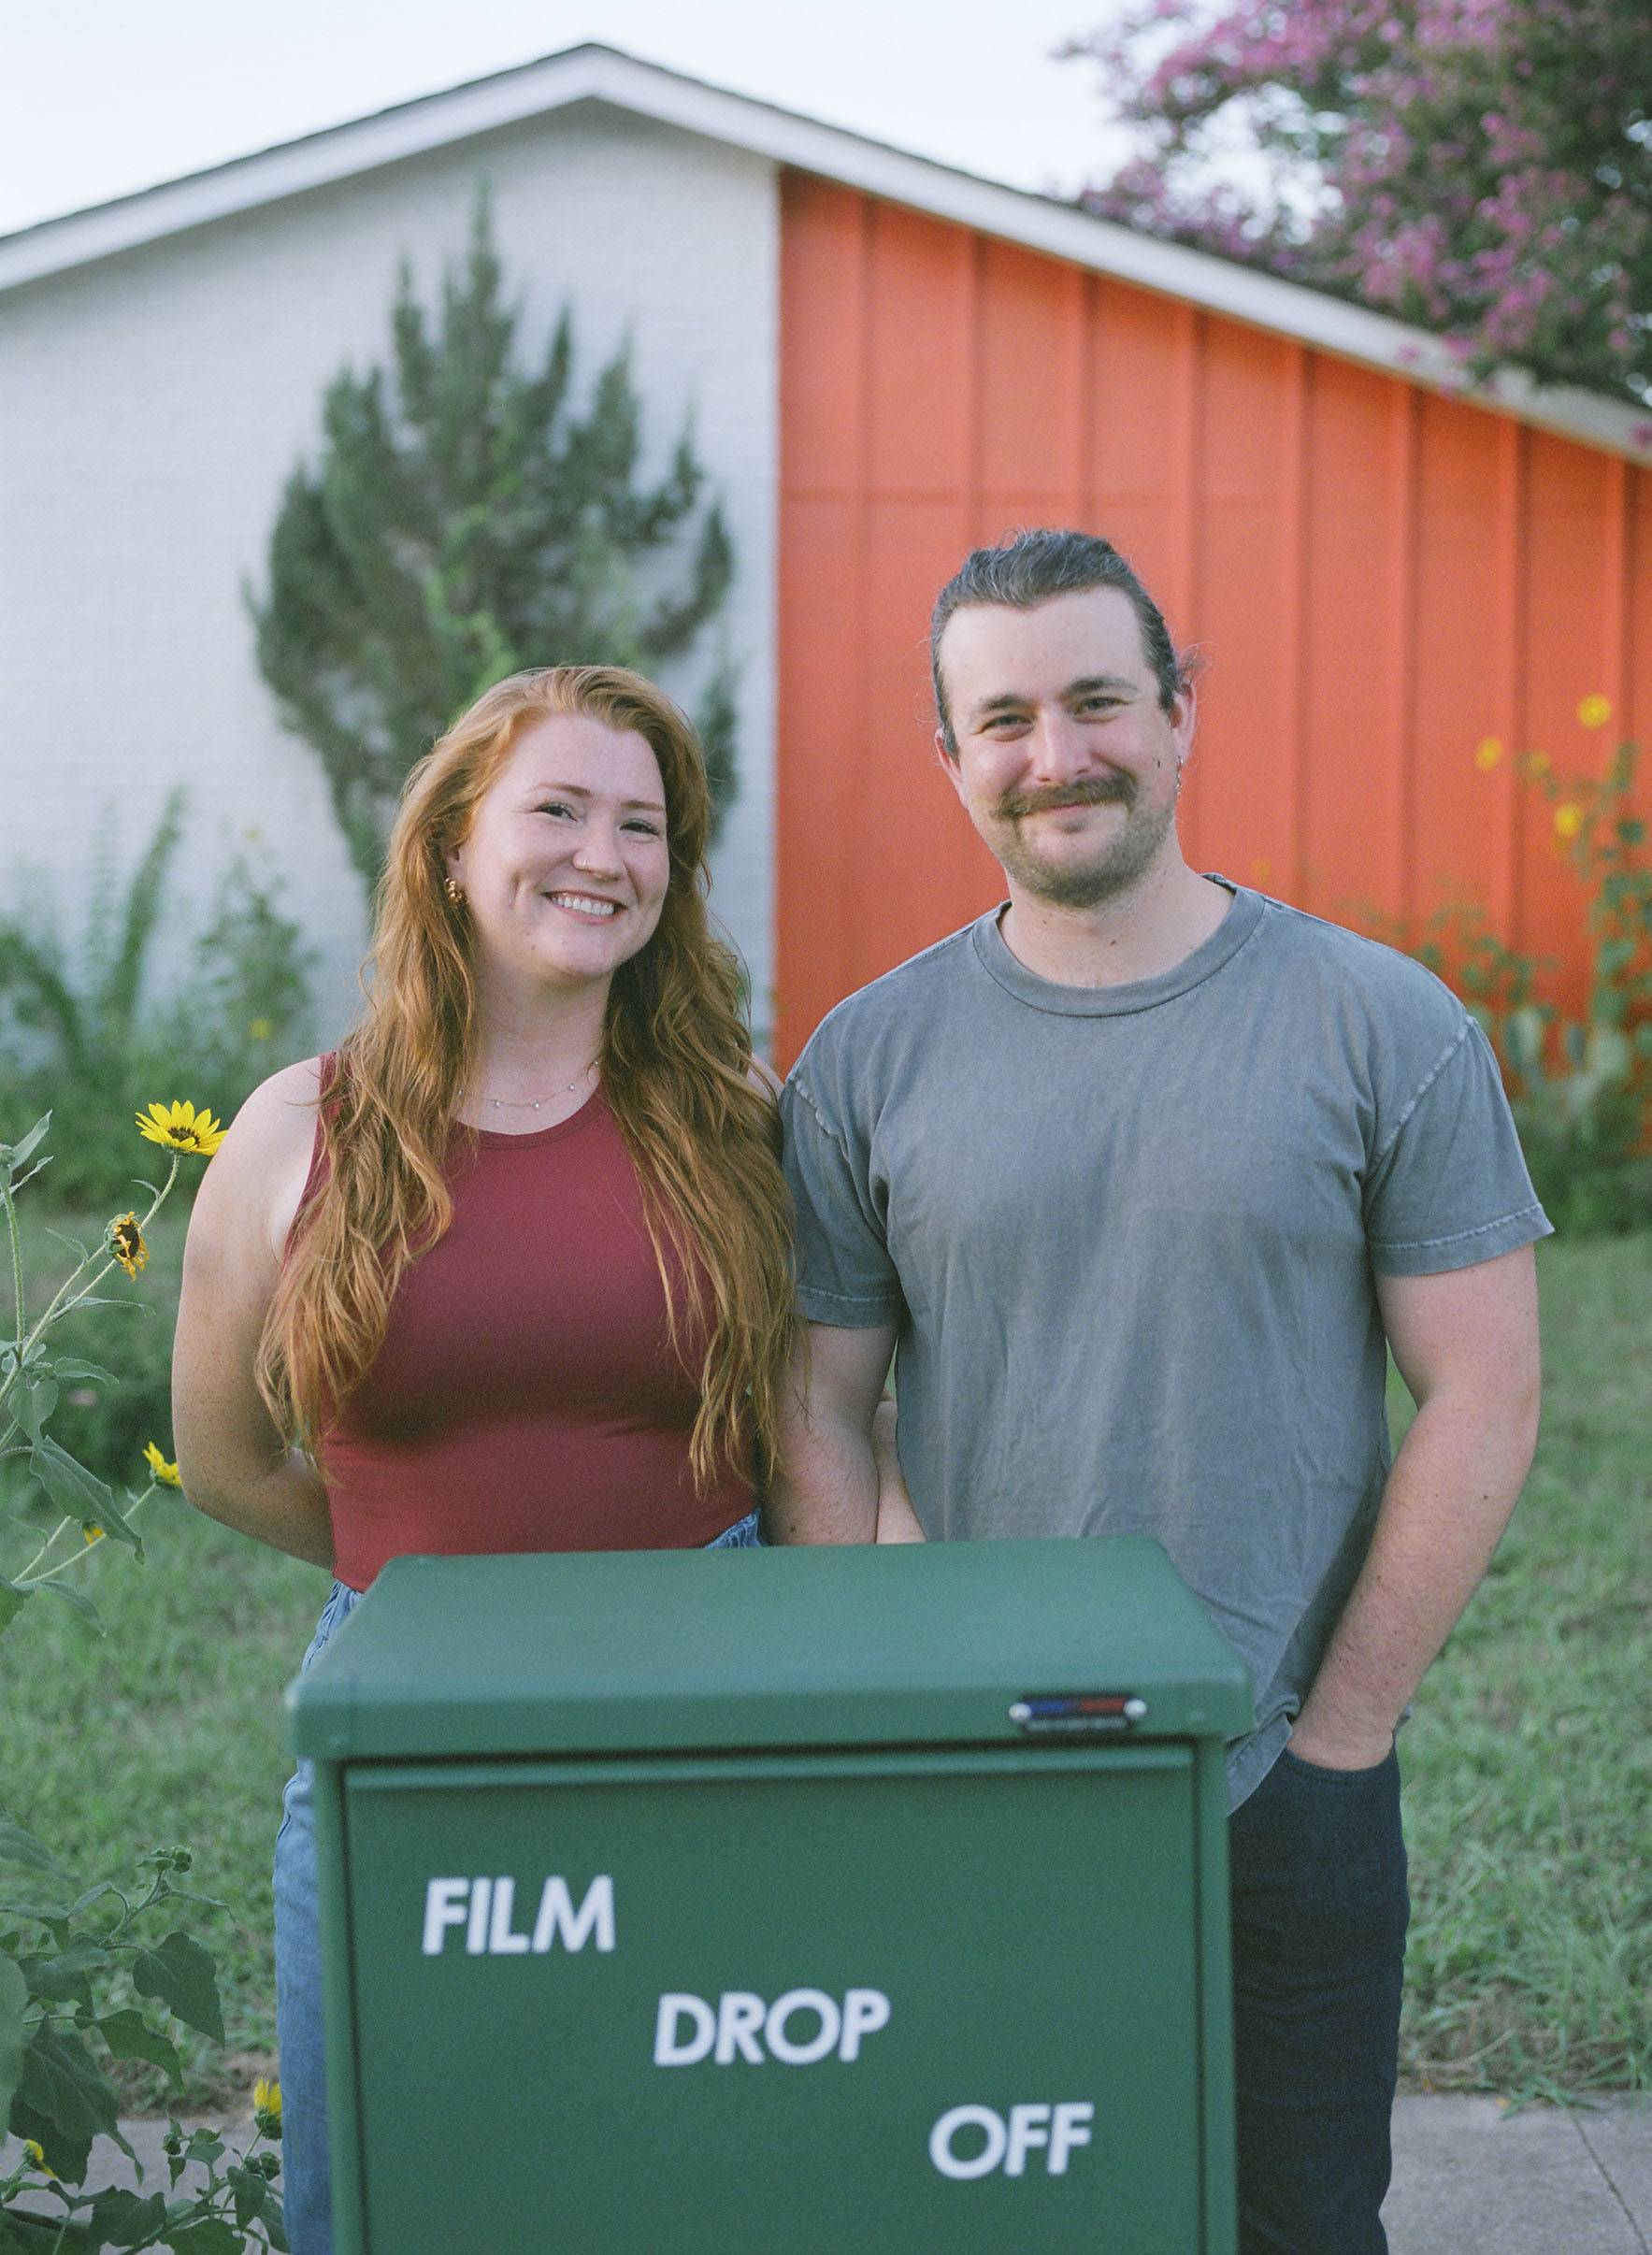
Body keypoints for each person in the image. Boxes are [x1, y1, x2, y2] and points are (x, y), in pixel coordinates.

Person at [769, 530, 1547, 2254]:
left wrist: (1340, 1744)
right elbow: (816, 1408)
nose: (1059, 756)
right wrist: (892, 1689)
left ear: (1181, 712)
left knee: (1298, 2226)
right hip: (987, 1776)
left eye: (1101, 700)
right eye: (1008, 719)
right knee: (1001, 2221)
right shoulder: (864, 1061)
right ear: (952, 759)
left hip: (1289, 1780)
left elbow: (1484, 1395)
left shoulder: (1381, 1024)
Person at [172, 665, 796, 2255]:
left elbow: (812, 1432)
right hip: (406, 1731)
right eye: (561, 809)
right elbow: (224, 1454)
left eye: (644, 823)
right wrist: (434, 1598)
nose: (606, 853)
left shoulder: (737, 1118)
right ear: (454, 842)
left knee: (687, 2172)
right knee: (384, 2183)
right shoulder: (300, 1130)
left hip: (702, 1718)